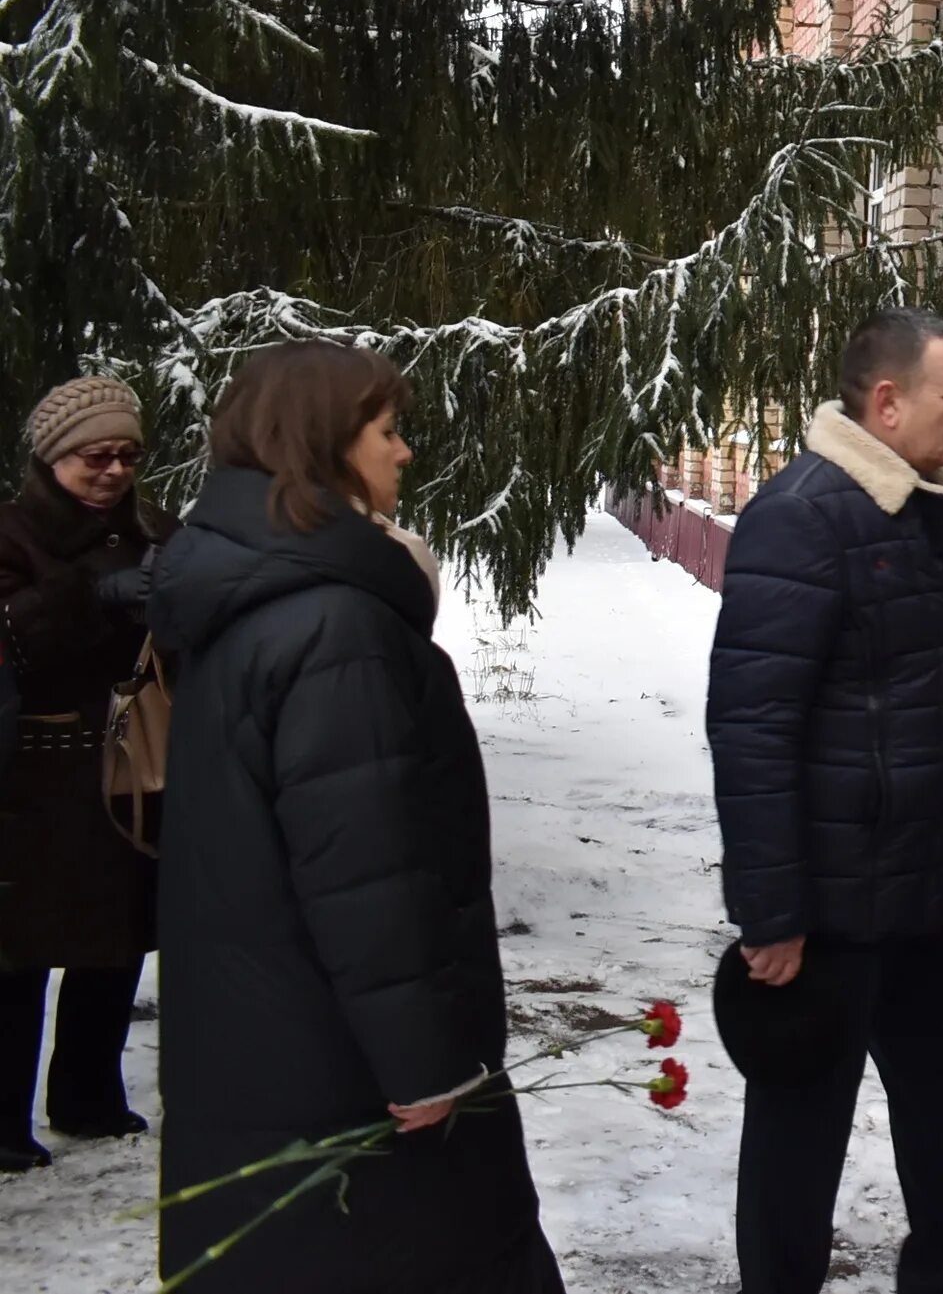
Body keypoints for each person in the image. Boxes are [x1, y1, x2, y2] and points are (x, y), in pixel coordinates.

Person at [148, 343, 562, 1293]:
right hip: (344, 1074)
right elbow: (366, 872)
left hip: (264, 1046)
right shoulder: (333, 626)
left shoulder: (262, 596)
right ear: (323, 446)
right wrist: (429, 1066)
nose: (406, 453)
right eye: (387, 431)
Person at [707, 307, 943, 1294]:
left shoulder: (933, 504)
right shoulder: (802, 515)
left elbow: (936, 684)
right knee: (801, 1126)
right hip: (834, 898)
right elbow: (752, 725)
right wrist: (771, 914)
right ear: (886, 403)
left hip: (924, 885)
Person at [0, 376, 172, 1173]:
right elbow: (14, 636)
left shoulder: (156, 530)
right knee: (17, 952)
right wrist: (90, 592)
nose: (111, 470)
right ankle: (2, 1118)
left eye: (127, 455)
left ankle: (88, 1095)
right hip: (31, 775)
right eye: (93, 456)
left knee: (116, 936)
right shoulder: (11, 535)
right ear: (51, 457)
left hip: (129, 764)